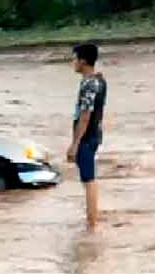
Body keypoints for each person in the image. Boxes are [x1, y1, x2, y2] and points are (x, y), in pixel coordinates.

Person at [67, 43, 107, 230]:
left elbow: (84, 116)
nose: (72, 62)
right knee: (88, 179)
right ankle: (92, 218)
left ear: (82, 61)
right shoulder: (99, 81)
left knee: (88, 179)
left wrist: (74, 144)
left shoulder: (89, 84)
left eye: (74, 58)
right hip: (94, 135)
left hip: (87, 136)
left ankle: (92, 223)